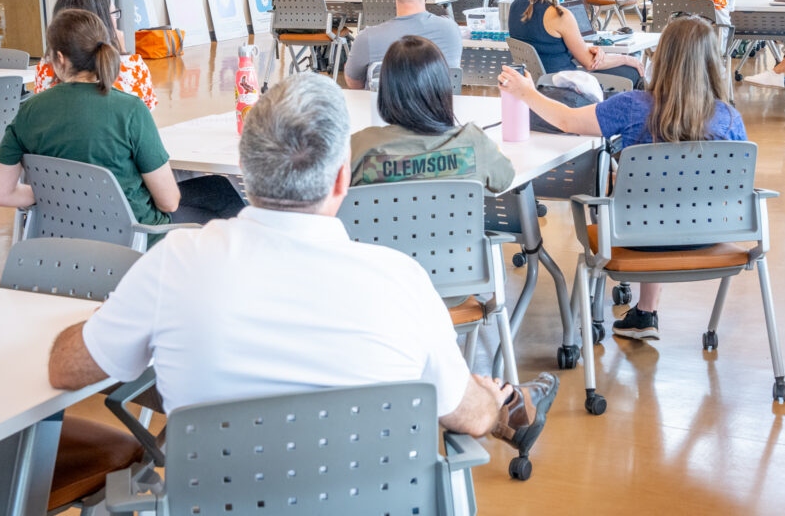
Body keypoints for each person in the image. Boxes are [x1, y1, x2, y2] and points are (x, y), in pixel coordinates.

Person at [47, 72, 559, 459]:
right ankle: (518, 407)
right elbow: (465, 415)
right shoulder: (399, 281)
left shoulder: (175, 264)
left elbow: (66, 367)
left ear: (244, 171)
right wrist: (492, 402)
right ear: (342, 181)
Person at [498, 17, 746, 340]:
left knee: (641, 199)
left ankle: (627, 318)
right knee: (665, 196)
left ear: (663, 60)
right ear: (712, 64)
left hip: (639, 235)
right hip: (711, 232)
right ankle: (645, 313)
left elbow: (567, 120)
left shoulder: (633, 106)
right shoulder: (730, 119)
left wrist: (526, 92)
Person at [0, 9, 179, 231]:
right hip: (133, 242)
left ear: (59, 57)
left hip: (62, 244)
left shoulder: (30, 111)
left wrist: (62, 193)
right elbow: (169, 202)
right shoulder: (131, 109)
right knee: (218, 193)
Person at [350, 36, 514, 193]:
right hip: (454, 223)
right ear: (443, 86)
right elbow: (505, 178)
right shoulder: (477, 145)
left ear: (387, 89)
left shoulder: (359, 148)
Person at [508, 0, 644, 85]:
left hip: (532, 85)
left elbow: (543, 45)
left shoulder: (514, 6)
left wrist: (583, 49)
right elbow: (590, 64)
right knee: (632, 70)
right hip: (565, 87)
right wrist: (626, 59)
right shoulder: (560, 15)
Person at [34, 0, 158, 112]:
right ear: (102, 22)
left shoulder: (46, 68)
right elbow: (144, 113)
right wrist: (123, 53)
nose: (116, 20)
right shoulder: (132, 69)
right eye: (113, 14)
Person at [344, 0, 462, 90]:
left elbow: (354, 84)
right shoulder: (451, 30)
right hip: (437, 110)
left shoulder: (367, 39)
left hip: (383, 111)